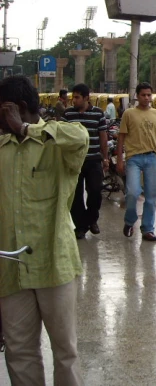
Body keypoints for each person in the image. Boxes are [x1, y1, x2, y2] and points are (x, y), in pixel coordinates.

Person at [0, 75, 88, 385]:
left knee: (65, 351)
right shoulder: (2, 147)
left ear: (18, 108)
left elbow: (81, 138)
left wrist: (25, 129)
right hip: (11, 269)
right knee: (19, 350)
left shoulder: (57, 142)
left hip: (54, 263)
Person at [116, 82, 156, 242]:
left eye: (149, 95)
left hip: (151, 158)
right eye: (143, 95)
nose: (146, 98)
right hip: (133, 158)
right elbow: (121, 137)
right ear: (137, 96)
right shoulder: (128, 114)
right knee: (133, 192)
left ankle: (148, 229)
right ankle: (130, 221)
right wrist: (119, 159)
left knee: (151, 196)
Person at [62, 83, 109, 239]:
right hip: (74, 161)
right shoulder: (68, 114)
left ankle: (91, 219)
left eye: (77, 97)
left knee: (95, 191)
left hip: (94, 159)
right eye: (72, 97)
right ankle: (80, 227)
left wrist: (106, 157)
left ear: (86, 98)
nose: (73, 100)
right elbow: (62, 135)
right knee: (75, 195)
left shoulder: (98, 114)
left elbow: (103, 137)